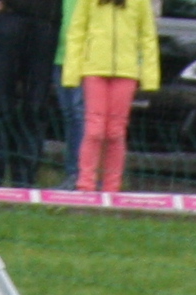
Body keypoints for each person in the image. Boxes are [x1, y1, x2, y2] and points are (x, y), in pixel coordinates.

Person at [61, 0, 158, 195]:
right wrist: (72, 73)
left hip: (126, 72)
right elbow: (77, 32)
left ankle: (112, 188)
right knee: (94, 130)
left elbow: (148, 36)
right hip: (94, 70)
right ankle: (86, 185)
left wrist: (149, 77)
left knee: (115, 132)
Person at [0, 0, 69, 186]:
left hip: (46, 21)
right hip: (10, 16)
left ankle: (24, 181)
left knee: (36, 105)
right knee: (1, 101)